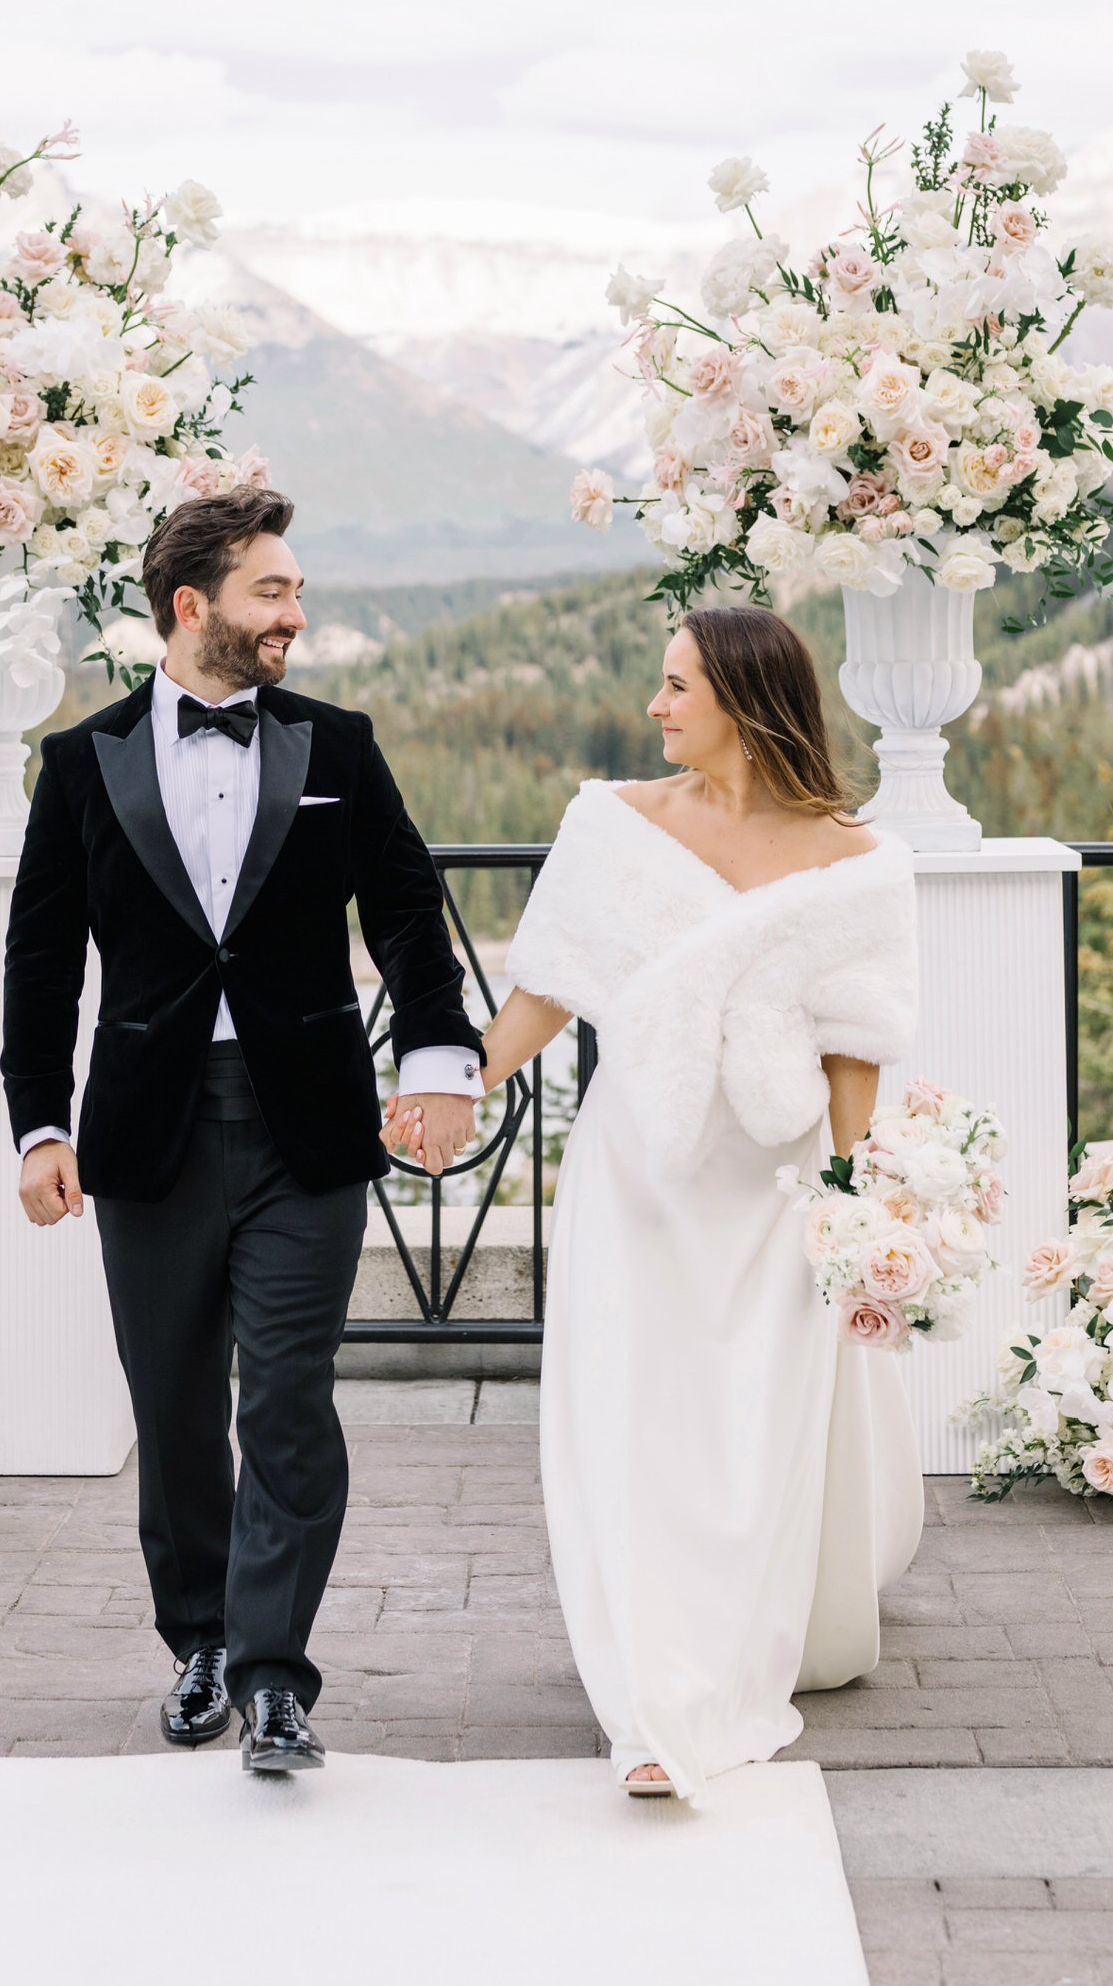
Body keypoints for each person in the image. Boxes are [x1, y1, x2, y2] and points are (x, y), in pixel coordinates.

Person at [390, 604, 921, 1801]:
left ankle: (729, 1658)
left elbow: (856, 1044)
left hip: (770, 1190)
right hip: (638, 1177)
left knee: (746, 1430)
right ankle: (647, 1707)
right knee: (626, 1419)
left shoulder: (858, 862)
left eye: (678, 684)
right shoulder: (612, 828)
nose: (656, 705)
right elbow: (552, 986)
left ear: (744, 697)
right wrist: (459, 1084)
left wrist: (859, 1198)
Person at [3, 486, 484, 1775]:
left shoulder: (338, 746)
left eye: (296, 591)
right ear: (190, 606)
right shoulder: (81, 762)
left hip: (303, 1132)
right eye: (273, 592)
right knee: (171, 1411)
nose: (295, 614)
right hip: (145, 1136)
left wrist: (440, 1062)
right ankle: (200, 1641)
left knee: (284, 1404)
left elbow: (407, 922)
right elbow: (41, 966)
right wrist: (40, 1127)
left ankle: (276, 1676)